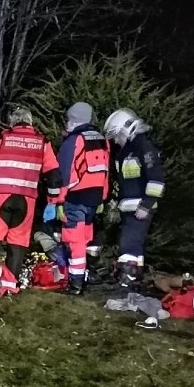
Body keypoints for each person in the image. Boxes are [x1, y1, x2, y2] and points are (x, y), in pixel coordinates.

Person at [0, 107, 61, 296]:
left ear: (13, 123)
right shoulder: (42, 142)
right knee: (17, 244)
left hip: (1, 196)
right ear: (30, 123)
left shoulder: (1, 138)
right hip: (27, 199)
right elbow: (54, 175)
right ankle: (9, 287)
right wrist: (52, 202)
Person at [103, 108, 166, 289]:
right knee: (134, 246)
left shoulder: (144, 149)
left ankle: (126, 283)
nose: (115, 140)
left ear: (126, 129)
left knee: (128, 244)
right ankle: (133, 282)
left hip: (140, 207)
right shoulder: (125, 152)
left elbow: (157, 180)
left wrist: (146, 205)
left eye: (116, 135)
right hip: (130, 208)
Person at [55, 102, 110, 295]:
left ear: (73, 119)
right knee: (85, 240)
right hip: (94, 198)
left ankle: (75, 284)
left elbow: (64, 173)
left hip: (75, 197)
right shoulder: (102, 139)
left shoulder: (74, 140)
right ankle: (83, 277)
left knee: (74, 241)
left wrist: (58, 201)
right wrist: (102, 197)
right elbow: (105, 171)